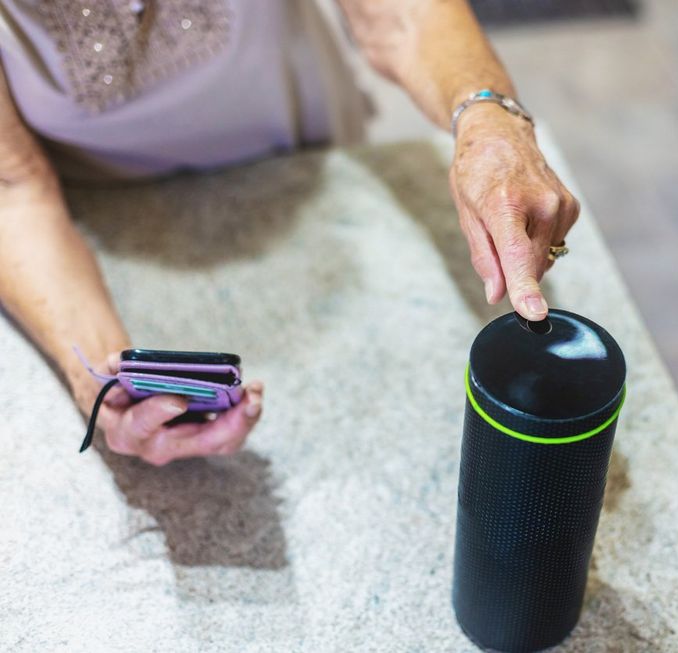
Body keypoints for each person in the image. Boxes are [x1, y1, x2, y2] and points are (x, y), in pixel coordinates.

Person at [0, 0, 579, 466]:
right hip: (101, 230)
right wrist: (100, 377)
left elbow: (402, 15)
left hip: (309, 166)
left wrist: (486, 117)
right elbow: (13, 187)